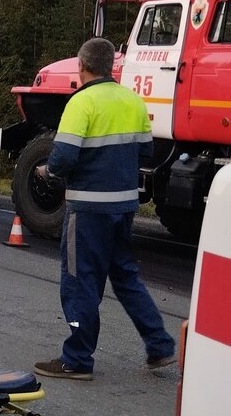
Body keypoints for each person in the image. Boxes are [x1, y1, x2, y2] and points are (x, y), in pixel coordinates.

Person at [33, 37, 176, 380]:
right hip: (124, 207)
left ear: (82, 67)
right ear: (111, 66)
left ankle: (77, 359)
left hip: (87, 210)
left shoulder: (82, 103)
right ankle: (160, 346)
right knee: (126, 277)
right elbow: (145, 152)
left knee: (79, 281)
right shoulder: (132, 101)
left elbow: (64, 156)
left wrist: (47, 171)